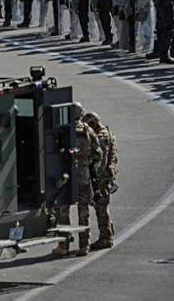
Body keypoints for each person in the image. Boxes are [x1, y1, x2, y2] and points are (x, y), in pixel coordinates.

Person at [52, 101, 101, 258]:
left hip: (66, 175)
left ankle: (63, 245)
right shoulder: (87, 130)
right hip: (83, 174)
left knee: (63, 211)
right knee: (83, 210)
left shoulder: (63, 129)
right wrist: (90, 165)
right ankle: (83, 246)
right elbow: (98, 153)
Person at [83, 111, 118, 251]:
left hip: (102, 176)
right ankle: (108, 235)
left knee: (101, 206)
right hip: (105, 175)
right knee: (101, 206)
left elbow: (102, 161)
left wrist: (95, 176)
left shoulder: (101, 136)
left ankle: (105, 238)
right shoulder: (105, 132)